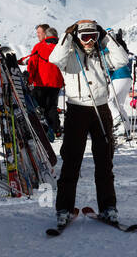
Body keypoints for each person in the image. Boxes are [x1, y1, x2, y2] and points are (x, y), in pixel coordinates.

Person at [48, 20, 130, 228]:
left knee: (104, 161)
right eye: (85, 37)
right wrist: (67, 37)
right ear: (77, 37)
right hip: (77, 109)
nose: (90, 41)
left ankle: (108, 208)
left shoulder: (102, 54)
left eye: (93, 36)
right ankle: (64, 209)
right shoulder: (70, 54)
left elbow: (122, 60)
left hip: (101, 110)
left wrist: (106, 37)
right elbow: (54, 59)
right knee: (71, 161)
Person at [26, 24, 64, 137]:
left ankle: (40, 128)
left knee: (36, 105)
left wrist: (29, 79)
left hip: (41, 81)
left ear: (45, 34)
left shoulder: (39, 46)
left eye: (39, 32)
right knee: (51, 106)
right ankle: (55, 128)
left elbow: (32, 64)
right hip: (56, 82)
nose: (37, 35)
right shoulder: (60, 47)